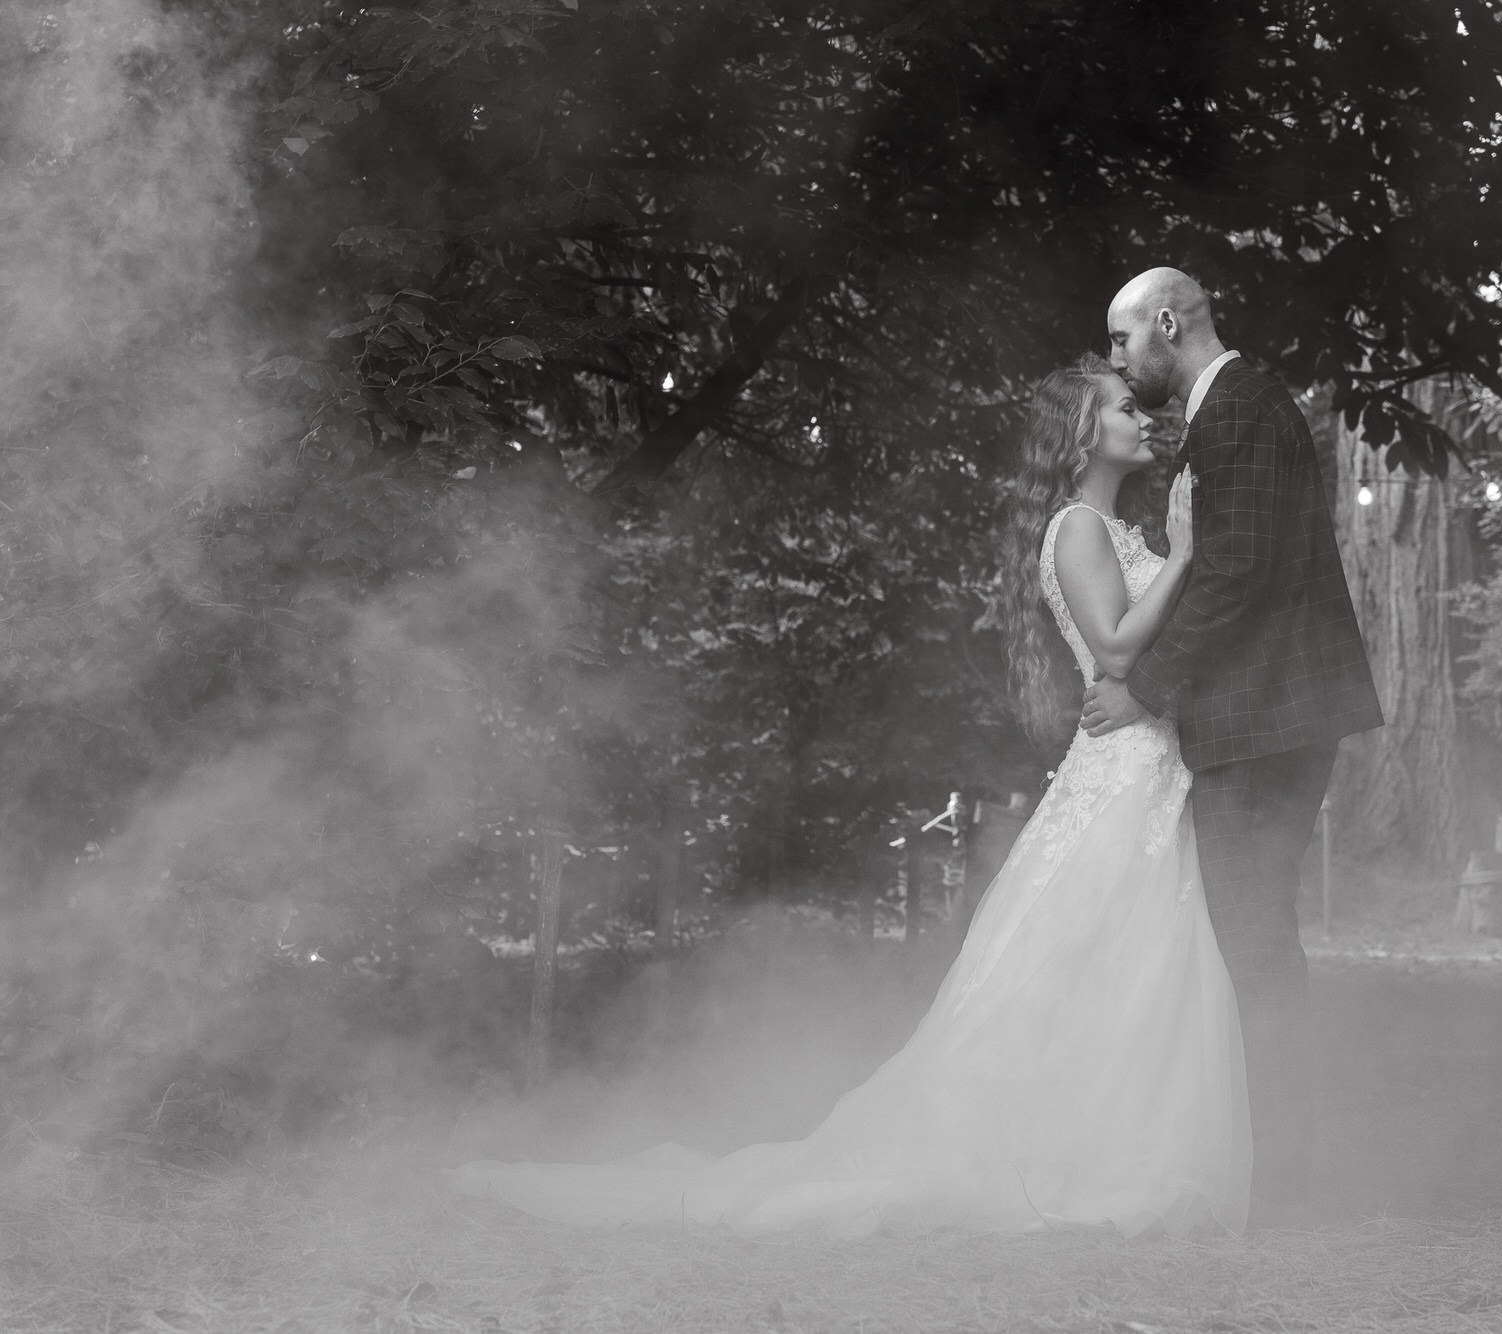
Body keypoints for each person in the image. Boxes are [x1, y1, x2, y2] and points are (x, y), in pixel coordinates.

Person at [447, 353, 1253, 1236]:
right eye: (1122, 409)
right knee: (1090, 964)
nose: (1144, 420)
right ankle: (1060, 1160)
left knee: (1128, 969)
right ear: (1081, 432)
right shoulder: (1077, 531)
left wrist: (1176, 553)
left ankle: (1106, 1147)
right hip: (1121, 771)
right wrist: (1189, 553)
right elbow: (1118, 653)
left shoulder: (1113, 527)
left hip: (1146, 768)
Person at [1085, 267, 1382, 1229]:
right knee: (1252, 946)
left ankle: (1286, 1190)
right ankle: (1277, 1177)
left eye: (1125, 340)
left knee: (1255, 950)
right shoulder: (1235, 409)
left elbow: (1242, 572)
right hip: (1270, 719)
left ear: (1169, 323)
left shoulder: (1243, 408)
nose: (1119, 359)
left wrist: (1146, 693)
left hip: (1269, 723)